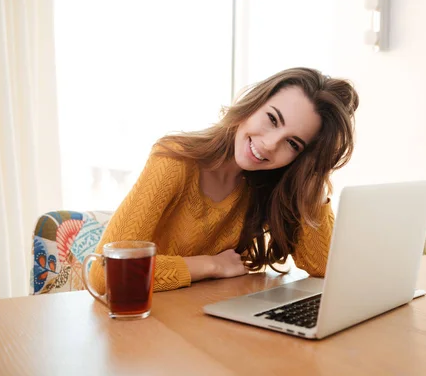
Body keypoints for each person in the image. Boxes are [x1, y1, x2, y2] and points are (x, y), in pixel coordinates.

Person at [89, 67, 359, 293]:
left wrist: (314, 173)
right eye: (272, 119)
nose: (268, 145)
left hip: (198, 320)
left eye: (292, 143)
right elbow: (106, 275)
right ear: (252, 105)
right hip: (136, 323)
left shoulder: (271, 186)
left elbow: (324, 268)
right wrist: (210, 265)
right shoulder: (175, 159)